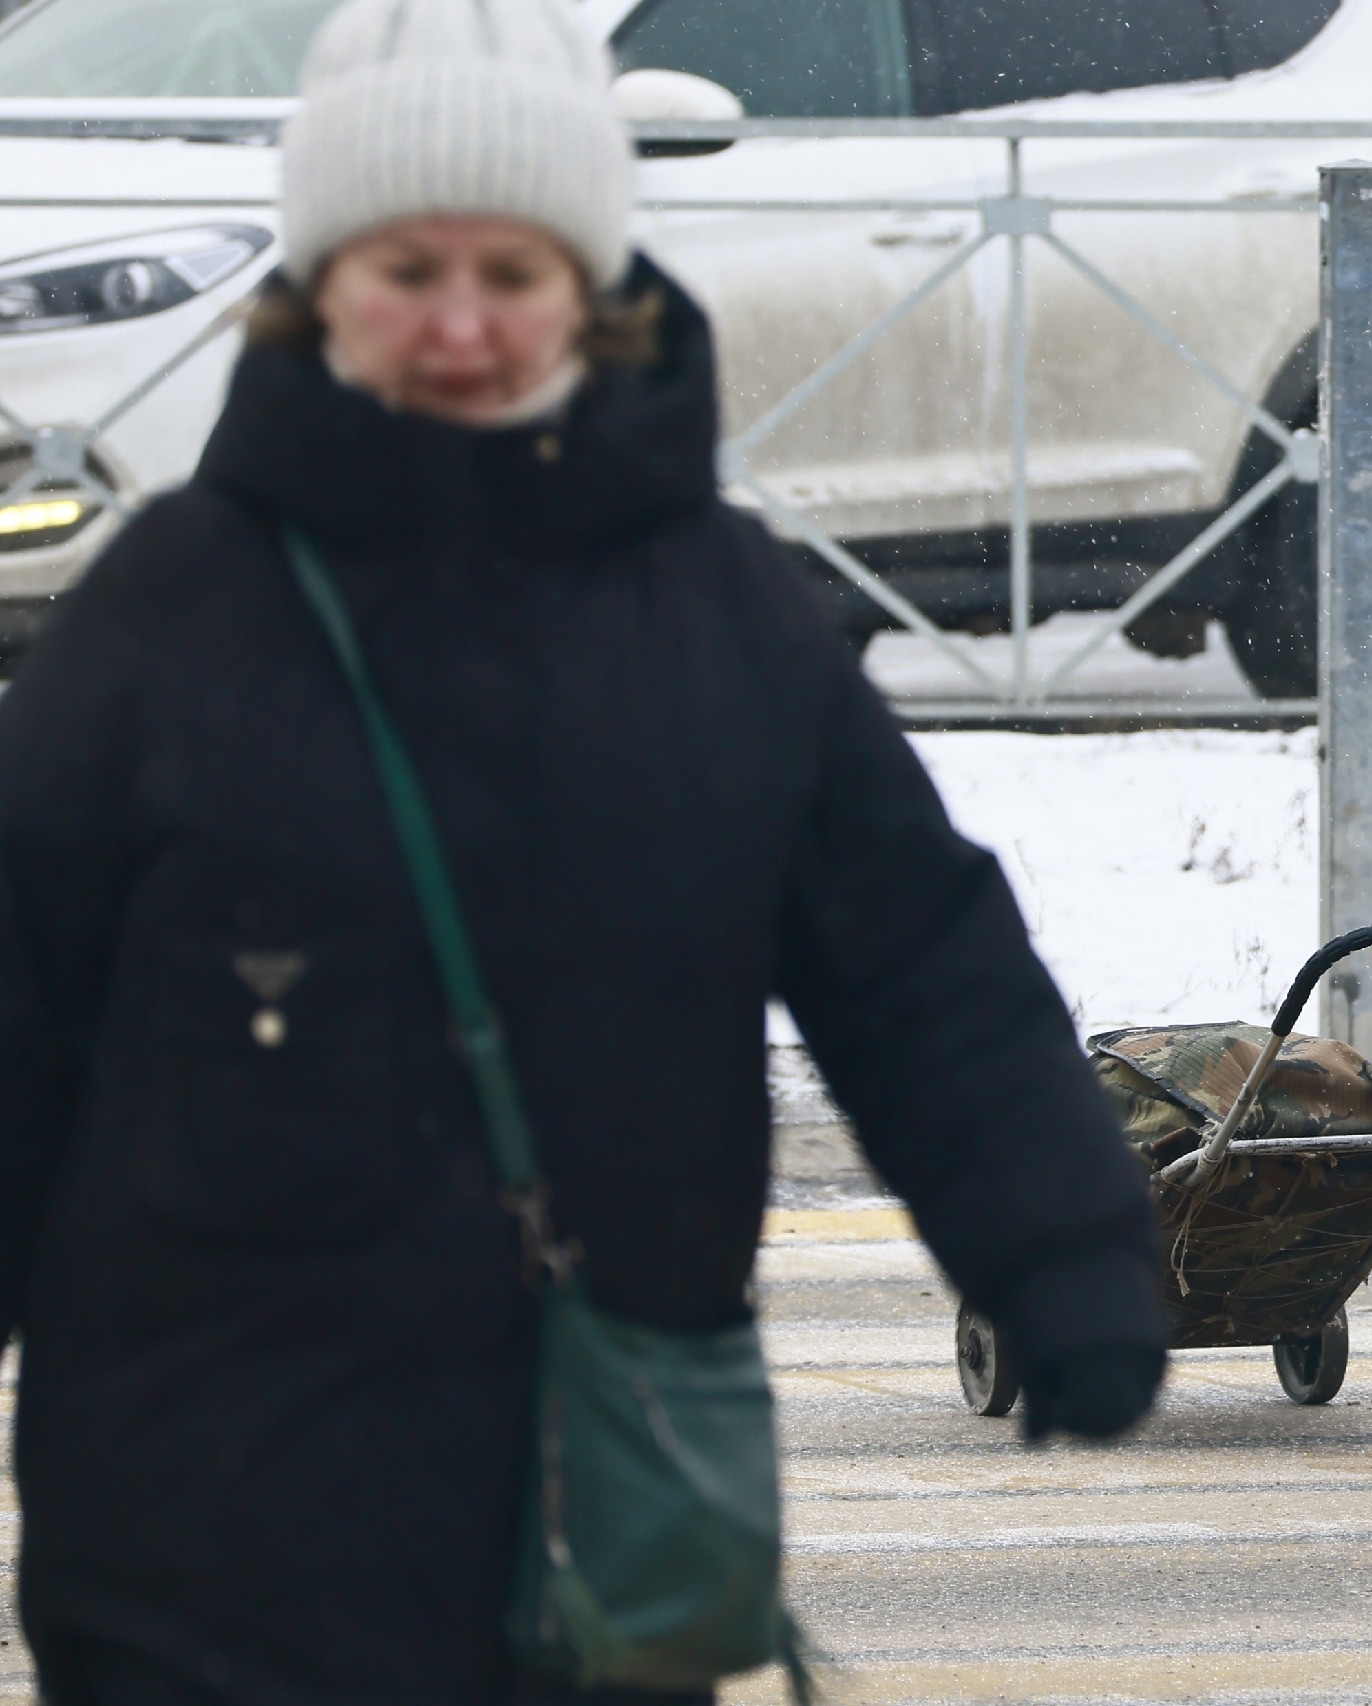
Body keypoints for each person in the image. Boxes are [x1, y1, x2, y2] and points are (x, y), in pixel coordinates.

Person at [0, 0, 1167, 1699]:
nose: (460, 323)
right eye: (405, 268)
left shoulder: (722, 614)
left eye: (514, 268)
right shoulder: (170, 614)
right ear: (321, 285)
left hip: (584, 1529)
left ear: (589, 286)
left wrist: (1059, 1255)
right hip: (200, 1521)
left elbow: (923, 963)